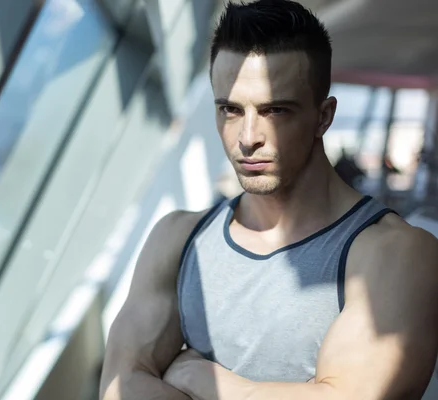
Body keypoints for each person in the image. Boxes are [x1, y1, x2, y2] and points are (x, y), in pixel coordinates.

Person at [99, 1, 438, 399]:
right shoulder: (177, 238)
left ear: (323, 117)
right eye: (230, 109)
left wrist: (200, 379)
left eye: (275, 110)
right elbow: (120, 389)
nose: (247, 137)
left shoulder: (394, 252)